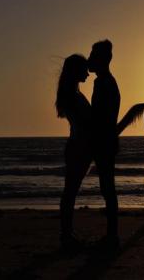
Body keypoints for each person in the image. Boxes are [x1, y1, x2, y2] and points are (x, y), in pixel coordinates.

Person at [55, 54, 92, 251]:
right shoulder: (73, 96)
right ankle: (66, 235)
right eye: (84, 69)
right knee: (70, 192)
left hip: (77, 146)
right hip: (79, 147)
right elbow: (85, 124)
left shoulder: (72, 94)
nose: (87, 73)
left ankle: (67, 233)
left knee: (70, 192)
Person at [88, 39, 121, 248]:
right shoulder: (107, 81)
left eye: (92, 56)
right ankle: (112, 234)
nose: (89, 60)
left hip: (104, 140)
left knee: (107, 188)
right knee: (107, 187)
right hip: (107, 139)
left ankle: (112, 236)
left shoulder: (103, 82)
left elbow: (99, 116)